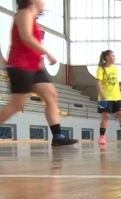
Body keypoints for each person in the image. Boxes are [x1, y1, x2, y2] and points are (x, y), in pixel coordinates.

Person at [0, 0, 77, 146]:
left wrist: (40, 60)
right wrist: (47, 53)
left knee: (51, 96)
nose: (44, 2)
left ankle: (57, 135)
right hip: (20, 66)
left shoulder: (33, 18)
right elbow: (26, 37)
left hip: (34, 68)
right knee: (17, 105)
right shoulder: (24, 13)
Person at [95, 50, 121, 145]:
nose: (114, 57)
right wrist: (102, 95)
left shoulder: (115, 68)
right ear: (107, 57)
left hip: (117, 96)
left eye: (114, 56)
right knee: (106, 116)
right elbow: (98, 84)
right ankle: (102, 136)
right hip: (105, 97)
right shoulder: (101, 69)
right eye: (112, 56)